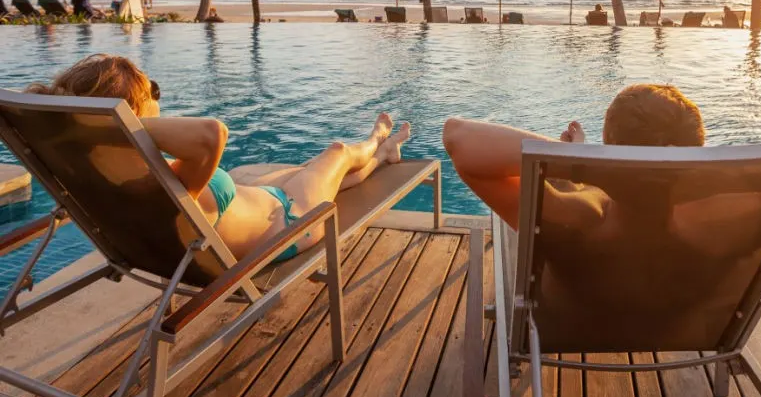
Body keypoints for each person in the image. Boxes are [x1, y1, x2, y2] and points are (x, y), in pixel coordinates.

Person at [27, 54, 410, 261]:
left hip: (262, 204)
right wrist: (120, 125)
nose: (159, 98)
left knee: (318, 173)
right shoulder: (162, 182)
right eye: (152, 91)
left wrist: (94, 130)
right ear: (134, 112)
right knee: (337, 154)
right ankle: (377, 138)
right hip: (292, 222)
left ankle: (383, 154)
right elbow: (213, 132)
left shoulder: (101, 174)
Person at [443, 84, 704, 229]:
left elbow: (457, 136)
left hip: (580, 326)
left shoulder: (582, 219)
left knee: (560, 185)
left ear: (607, 149)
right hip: (673, 327)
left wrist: (577, 157)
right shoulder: (718, 224)